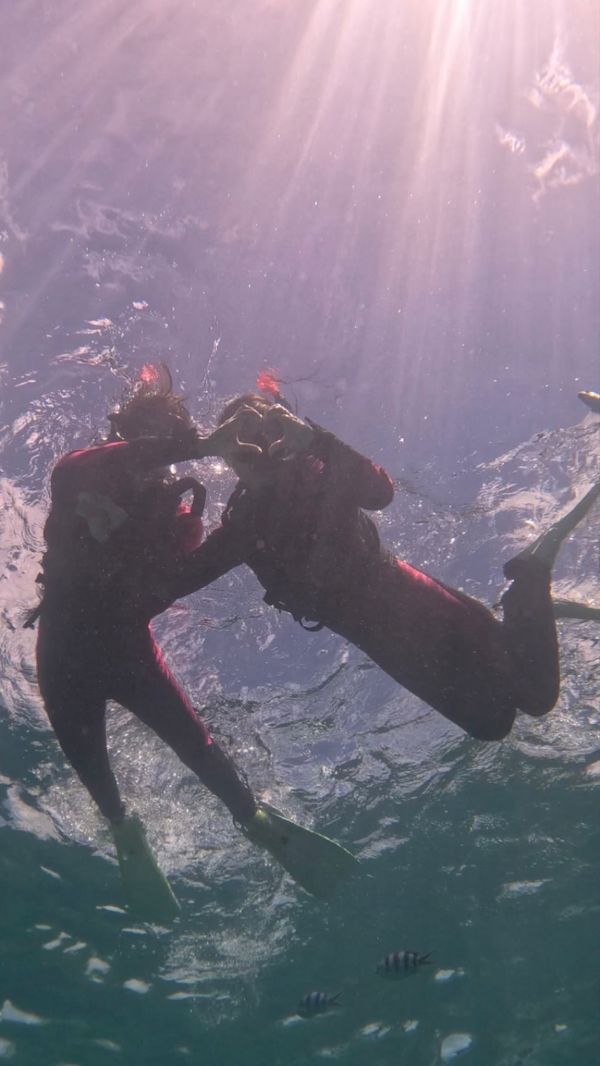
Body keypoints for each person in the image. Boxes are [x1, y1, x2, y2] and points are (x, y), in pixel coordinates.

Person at [29, 366, 356, 913]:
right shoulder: (79, 473)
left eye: (171, 437)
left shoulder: (180, 517)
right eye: (148, 433)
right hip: (62, 650)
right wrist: (202, 443)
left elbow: (172, 585)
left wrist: (253, 516)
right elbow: (87, 470)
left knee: (198, 748)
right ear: (126, 433)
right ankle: (122, 827)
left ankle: (253, 818)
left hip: (128, 651)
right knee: (91, 765)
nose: (158, 452)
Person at [167, 373, 600, 743]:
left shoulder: (318, 477)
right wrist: (185, 466)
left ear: (285, 440)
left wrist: (318, 441)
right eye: (241, 448)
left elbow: (381, 493)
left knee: (535, 696)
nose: (257, 453)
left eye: (265, 436)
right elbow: (179, 579)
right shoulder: (245, 527)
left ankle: (531, 572)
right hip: (383, 640)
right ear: (229, 460)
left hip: (417, 601)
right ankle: (523, 608)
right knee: (491, 724)